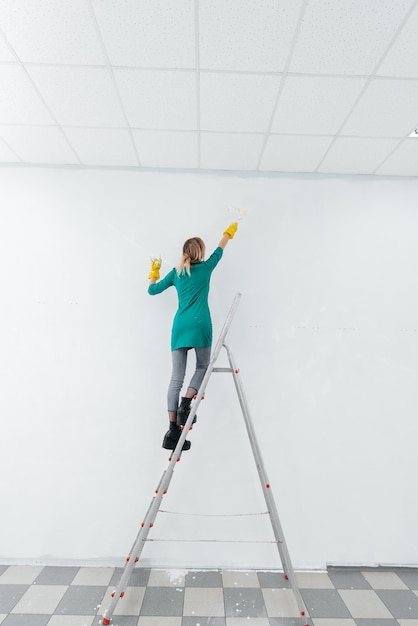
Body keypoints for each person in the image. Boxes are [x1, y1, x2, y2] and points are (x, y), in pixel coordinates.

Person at [148, 222, 238, 451]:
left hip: (179, 327)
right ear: (200, 252)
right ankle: (186, 404)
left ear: (184, 253)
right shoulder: (207, 268)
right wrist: (229, 232)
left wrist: (154, 270)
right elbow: (221, 247)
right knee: (203, 366)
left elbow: (152, 290)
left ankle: (172, 432)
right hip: (200, 326)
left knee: (175, 379)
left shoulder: (177, 273)